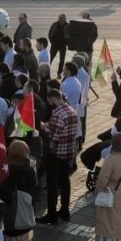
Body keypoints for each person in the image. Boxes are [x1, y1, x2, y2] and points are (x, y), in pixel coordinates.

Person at [0, 141, 37, 241]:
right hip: (26, 215)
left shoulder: (9, 172)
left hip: (12, 217)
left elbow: (4, 195)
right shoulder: (31, 168)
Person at [37, 91, 78, 225]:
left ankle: (52, 214)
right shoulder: (71, 111)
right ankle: (65, 210)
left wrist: (42, 127)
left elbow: (53, 136)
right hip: (68, 152)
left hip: (56, 154)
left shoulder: (57, 115)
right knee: (65, 181)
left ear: (53, 99)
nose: (49, 104)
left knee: (52, 184)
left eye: (50, 101)